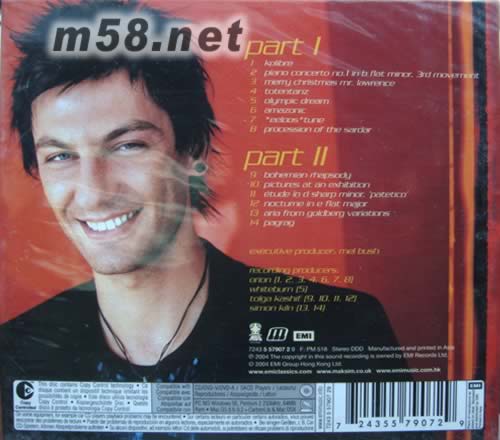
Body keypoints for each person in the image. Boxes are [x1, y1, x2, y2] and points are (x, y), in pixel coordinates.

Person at [0, 1, 414, 439]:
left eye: (128, 146)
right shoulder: (15, 354)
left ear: (192, 153)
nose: (93, 192)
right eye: (60, 156)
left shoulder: (339, 330)